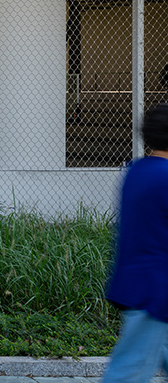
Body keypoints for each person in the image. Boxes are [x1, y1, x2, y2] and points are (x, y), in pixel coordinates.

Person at [102, 104, 168, 383]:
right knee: (126, 375)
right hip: (155, 294)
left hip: (138, 285)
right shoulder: (164, 177)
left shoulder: (136, 170)